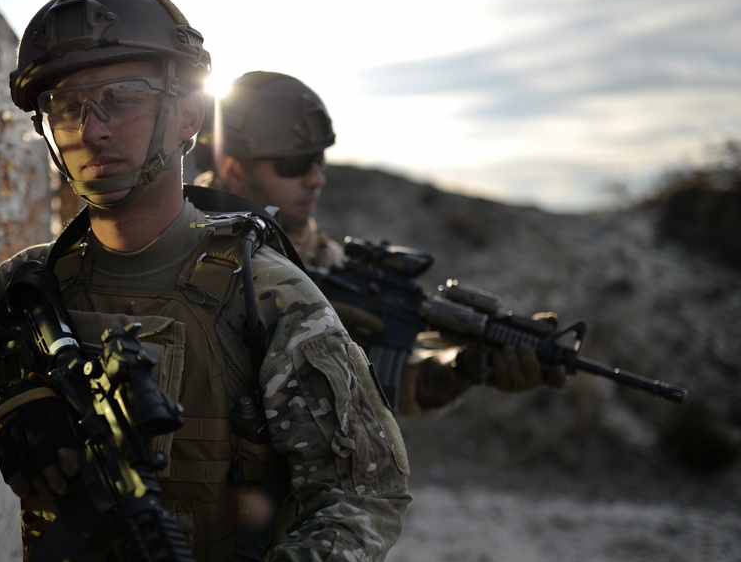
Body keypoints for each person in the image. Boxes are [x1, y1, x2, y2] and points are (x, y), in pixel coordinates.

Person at [0, 0, 410, 562]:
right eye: (64, 107)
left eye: (121, 98)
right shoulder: (30, 285)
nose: (90, 129)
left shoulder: (269, 296)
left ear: (188, 113)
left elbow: (365, 497)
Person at [195, 71, 566, 417]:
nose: (316, 178)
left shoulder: (327, 259)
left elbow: (388, 384)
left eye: (319, 158)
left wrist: (462, 369)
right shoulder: (184, 248)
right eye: (294, 164)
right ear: (233, 170)